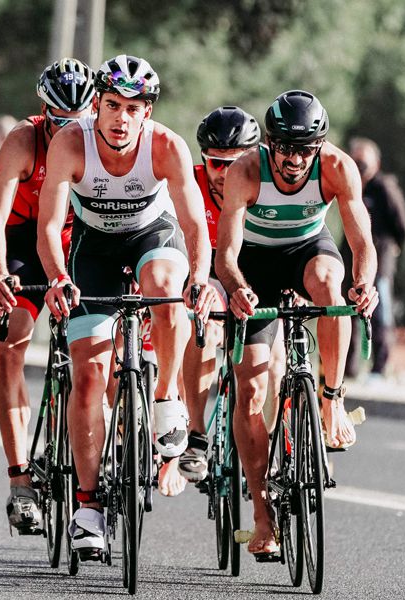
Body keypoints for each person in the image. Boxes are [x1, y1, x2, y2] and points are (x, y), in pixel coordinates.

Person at [36, 54, 217, 553]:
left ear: (148, 112)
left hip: (151, 237)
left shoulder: (166, 147)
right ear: (95, 105)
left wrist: (200, 277)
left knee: (165, 282)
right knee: (89, 376)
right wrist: (55, 277)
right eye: (111, 105)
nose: (120, 119)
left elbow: (195, 225)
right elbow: (50, 227)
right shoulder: (70, 143)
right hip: (92, 248)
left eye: (133, 108)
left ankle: (165, 399)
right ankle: (88, 505)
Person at [215, 90, 378, 559]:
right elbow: (226, 252)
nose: (294, 159)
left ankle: (331, 399)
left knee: (332, 283)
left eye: (305, 149)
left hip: (309, 250)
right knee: (251, 389)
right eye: (285, 147)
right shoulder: (245, 170)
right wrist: (239, 288)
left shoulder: (337, 168)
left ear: (319, 147)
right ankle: (263, 518)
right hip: (256, 265)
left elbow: (360, 238)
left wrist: (364, 284)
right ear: (270, 143)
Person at [0, 58, 95, 533]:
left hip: (80, 236)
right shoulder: (22, 141)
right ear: (42, 111)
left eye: (77, 121)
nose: (67, 129)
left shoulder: (102, 139)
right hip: (24, 236)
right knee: (11, 341)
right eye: (58, 120)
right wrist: (0, 272)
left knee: (102, 345)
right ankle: (20, 478)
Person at [175, 106, 261, 485]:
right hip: (205, 273)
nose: (225, 175)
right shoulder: (187, 186)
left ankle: (267, 439)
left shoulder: (265, 185)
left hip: (252, 275)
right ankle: (196, 435)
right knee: (204, 322)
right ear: (202, 160)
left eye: (235, 164)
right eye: (215, 164)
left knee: (271, 359)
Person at [343, 137, 405, 380]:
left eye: (363, 164)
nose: (359, 169)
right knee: (347, 313)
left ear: (376, 164)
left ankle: (378, 369)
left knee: (379, 315)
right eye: (355, 163)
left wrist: (392, 250)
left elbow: (402, 226)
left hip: (380, 265)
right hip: (350, 264)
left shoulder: (385, 188)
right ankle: (348, 368)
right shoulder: (349, 186)